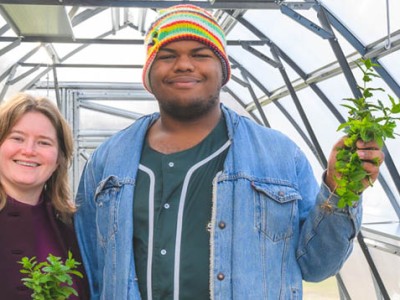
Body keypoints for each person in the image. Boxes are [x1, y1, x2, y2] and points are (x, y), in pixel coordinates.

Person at [74, 4, 384, 300]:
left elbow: (318, 267)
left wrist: (339, 192)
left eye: (200, 53)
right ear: (149, 74)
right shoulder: (107, 161)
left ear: (223, 70)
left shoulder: (279, 157)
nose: (183, 64)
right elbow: (90, 269)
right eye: (167, 55)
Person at [0, 93, 89, 300]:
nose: (29, 150)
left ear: (59, 158)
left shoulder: (73, 226)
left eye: (44, 142)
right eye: (17, 138)